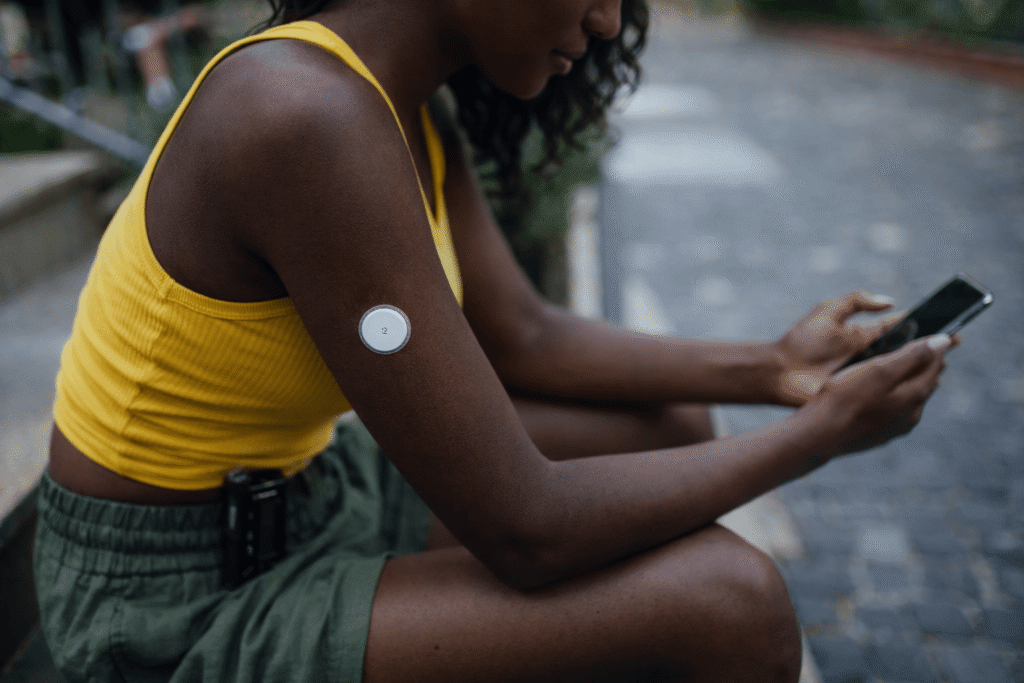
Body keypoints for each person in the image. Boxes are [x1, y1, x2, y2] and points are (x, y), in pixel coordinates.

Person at [34, 0, 955, 681]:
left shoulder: (401, 105)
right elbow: (528, 527)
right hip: (173, 598)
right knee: (732, 602)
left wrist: (775, 368)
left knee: (667, 420)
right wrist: (816, 436)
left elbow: (520, 332)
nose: (606, 21)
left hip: (309, 495)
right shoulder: (299, 118)